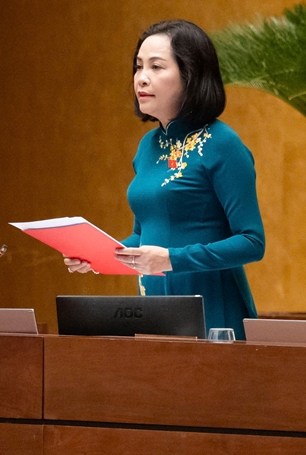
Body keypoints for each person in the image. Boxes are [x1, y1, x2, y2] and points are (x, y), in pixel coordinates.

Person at [65, 19, 265, 339]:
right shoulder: (148, 147)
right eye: (138, 66)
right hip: (157, 311)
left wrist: (171, 259)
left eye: (157, 67)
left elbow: (252, 242)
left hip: (214, 310)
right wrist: (97, 255)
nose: (142, 78)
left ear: (191, 75)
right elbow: (143, 239)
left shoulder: (222, 144)